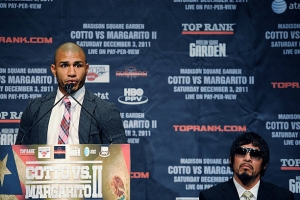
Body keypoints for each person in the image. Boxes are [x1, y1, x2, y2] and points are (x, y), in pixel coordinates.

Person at [16, 42, 127, 145]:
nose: (72, 73)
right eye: (64, 65)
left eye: (78, 65)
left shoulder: (106, 111)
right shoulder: (34, 109)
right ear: (54, 70)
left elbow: (119, 160)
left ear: (87, 69)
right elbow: (19, 157)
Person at [199, 132, 294, 200]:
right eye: (241, 152)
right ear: (231, 159)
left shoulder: (283, 197)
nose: (247, 158)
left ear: (264, 164)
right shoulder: (210, 197)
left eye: (255, 154)